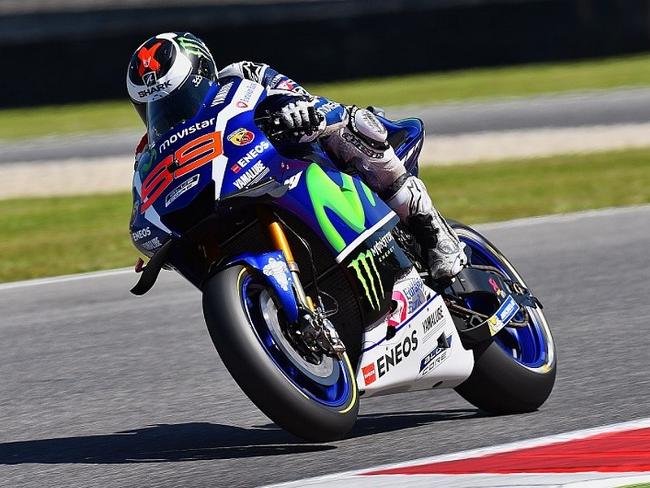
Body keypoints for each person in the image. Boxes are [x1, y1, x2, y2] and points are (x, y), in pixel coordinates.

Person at [126, 32, 466, 280]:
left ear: (202, 76)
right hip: (234, 193)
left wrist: (299, 112)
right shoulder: (147, 153)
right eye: (154, 108)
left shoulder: (241, 76)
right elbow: (143, 205)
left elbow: (303, 98)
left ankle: (429, 227)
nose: (168, 114)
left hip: (293, 156)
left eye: (178, 99)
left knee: (351, 123)